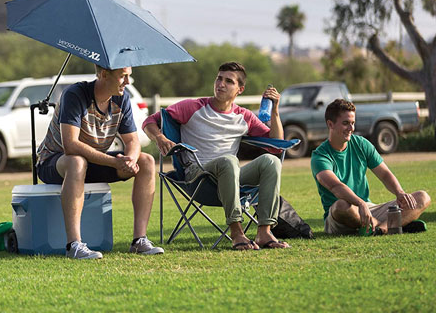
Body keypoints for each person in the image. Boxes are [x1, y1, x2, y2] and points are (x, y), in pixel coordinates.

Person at [143, 61, 290, 250]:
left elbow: (276, 146)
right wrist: (160, 138)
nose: (221, 84)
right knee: (229, 161)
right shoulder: (192, 107)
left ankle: (265, 231)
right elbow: (149, 121)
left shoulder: (244, 116)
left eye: (229, 81)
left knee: (271, 162)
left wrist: (275, 111)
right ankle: (237, 232)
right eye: (219, 78)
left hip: (232, 177)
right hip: (199, 179)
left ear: (240, 89)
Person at [37, 65, 164, 259]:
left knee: (145, 160)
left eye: (128, 76)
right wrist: (114, 163)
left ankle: (139, 240)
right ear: (104, 74)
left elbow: (132, 141)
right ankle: (74, 245)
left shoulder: (122, 99)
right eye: (123, 77)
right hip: (54, 162)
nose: (127, 82)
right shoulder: (75, 94)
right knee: (77, 162)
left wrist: (129, 160)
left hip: (92, 162)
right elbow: (70, 145)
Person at [311, 99, 431, 236]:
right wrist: (360, 203)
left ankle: (382, 228)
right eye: (345, 123)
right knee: (341, 206)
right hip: (342, 216)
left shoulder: (361, 144)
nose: (351, 128)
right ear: (330, 124)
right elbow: (336, 187)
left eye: (353, 123)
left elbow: (385, 174)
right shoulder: (319, 156)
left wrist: (400, 193)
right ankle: (396, 223)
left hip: (369, 208)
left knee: (422, 197)